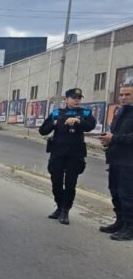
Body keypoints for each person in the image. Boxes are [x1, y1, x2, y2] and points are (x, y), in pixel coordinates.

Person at [38, 88, 96, 224]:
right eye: (74, 97)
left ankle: (65, 210)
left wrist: (78, 122)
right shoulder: (57, 113)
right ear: (66, 99)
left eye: (79, 98)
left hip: (75, 154)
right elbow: (42, 130)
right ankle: (59, 206)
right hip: (58, 153)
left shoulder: (85, 113)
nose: (77, 100)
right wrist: (55, 123)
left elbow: (90, 126)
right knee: (56, 182)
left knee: (70, 184)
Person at [99, 82, 133, 240]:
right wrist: (108, 140)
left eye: (127, 94)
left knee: (127, 195)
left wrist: (115, 138)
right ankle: (119, 221)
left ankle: (130, 228)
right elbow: (115, 132)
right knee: (115, 192)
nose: (123, 97)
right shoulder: (120, 111)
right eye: (121, 94)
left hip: (129, 162)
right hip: (115, 159)